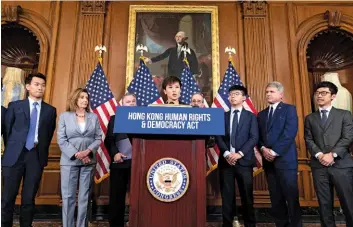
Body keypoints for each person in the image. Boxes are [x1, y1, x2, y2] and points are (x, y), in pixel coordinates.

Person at [1, 73, 57, 227]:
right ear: (28, 87)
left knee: (28, 199)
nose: (40, 87)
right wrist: (14, 146)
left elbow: (48, 133)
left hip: (35, 156)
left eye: (43, 85)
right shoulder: (15, 106)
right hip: (14, 156)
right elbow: (7, 130)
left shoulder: (50, 111)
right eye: (37, 84)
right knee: (7, 199)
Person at [304, 81, 353, 227]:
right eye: (317, 93)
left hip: (341, 165)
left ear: (333, 96)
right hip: (319, 166)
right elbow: (308, 139)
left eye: (323, 93)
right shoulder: (310, 118)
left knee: (348, 203)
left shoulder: (344, 114)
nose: (319, 96)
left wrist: (333, 154)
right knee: (324, 204)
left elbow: (348, 137)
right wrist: (320, 155)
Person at [257, 81, 302, 227]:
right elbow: (258, 137)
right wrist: (263, 149)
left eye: (272, 91)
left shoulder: (289, 109)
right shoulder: (262, 114)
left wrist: (274, 151)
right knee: (275, 198)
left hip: (286, 161)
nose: (268, 94)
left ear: (281, 94)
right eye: (267, 92)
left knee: (291, 197)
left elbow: (289, 133)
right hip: (268, 162)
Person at [57, 88, 102, 227]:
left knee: (84, 197)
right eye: (82, 97)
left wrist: (88, 151)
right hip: (69, 161)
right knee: (68, 197)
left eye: (86, 98)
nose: (85, 100)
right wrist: (78, 154)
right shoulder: (65, 116)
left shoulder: (93, 117)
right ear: (75, 99)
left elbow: (98, 138)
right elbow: (61, 139)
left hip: (89, 162)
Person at [216, 85, 258, 227]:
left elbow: (253, 138)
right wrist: (227, 153)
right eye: (231, 94)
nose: (233, 96)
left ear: (244, 98)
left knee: (247, 196)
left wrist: (239, 154)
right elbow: (218, 136)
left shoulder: (251, 116)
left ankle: (250, 224)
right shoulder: (222, 116)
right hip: (226, 161)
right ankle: (227, 224)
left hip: (244, 161)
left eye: (237, 94)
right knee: (227, 197)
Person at [105, 92, 137, 227]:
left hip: (138, 164)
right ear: (122, 104)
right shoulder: (115, 119)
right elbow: (109, 140)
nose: (131, 104)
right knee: (117, 196)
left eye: (133, 101)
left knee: (139, 196)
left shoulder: (142, 118)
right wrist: (115, 153)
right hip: (120, 162)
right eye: (128, 102)